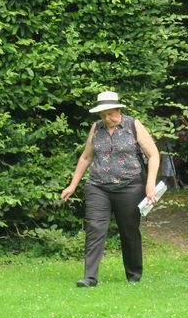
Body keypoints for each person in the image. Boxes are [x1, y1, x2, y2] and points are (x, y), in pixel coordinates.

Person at [60, 91, 160, 287]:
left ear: (119, 110)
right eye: (103, 114)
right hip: (98, 186)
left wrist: (150, 186)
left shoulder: (133, 125)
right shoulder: (96, 128)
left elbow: (153, 154)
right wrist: (73, 185)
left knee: (129, 231)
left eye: (111, 114)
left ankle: (133, 275)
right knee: (95, 228)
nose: (107, 118)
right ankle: (90, 278)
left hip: (130, 187)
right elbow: (86, 157)